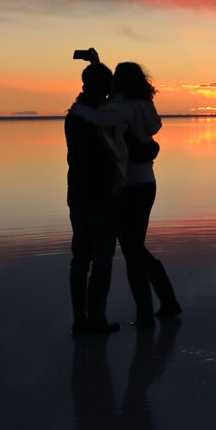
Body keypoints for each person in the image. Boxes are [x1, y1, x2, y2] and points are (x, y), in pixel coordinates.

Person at [70, 61, 181, 327]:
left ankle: (147, 313)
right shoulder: (145, 105)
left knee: (132, 250)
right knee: (135, 247)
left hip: (128, 186)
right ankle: (165, 301)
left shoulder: (122, 108)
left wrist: (79, 108)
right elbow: (152, 131)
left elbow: (103, 117)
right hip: (147, 183)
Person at [66, 61, 121, 335]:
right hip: (99, 194)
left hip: (77, 192)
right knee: (101, 258)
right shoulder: (95, 115)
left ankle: (80, 319)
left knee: (81, 258)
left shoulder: (75, 113)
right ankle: (95, 319)